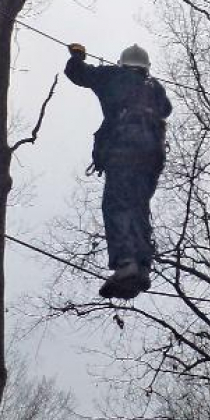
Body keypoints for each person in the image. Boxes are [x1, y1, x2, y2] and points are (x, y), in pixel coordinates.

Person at [65, 43, 172, 299]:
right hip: (153, 153)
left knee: (117, 204)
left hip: (126, 147)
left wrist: (78, 56)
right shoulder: (154, 87)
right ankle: (142, 266)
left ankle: (126, 263)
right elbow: (166, 109)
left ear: (123, 63)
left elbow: (77, 73)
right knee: (138, 207)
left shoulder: (113, 76)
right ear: (146, 68)